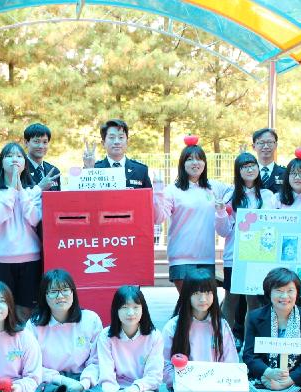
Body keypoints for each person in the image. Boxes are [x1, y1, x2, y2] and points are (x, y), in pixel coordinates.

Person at [162, 270, 239, 392]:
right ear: (186, 295)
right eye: (196, 293)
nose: (203, 299)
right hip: (184, 391)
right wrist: (178, 381)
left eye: (207, 293)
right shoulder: (174, 326)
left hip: (214, 389)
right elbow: (164, 365)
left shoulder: (221, 325)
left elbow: (231, 361)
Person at [0, 143, 46, 323]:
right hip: (1, 259)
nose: (14, 159)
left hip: (30, 258)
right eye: (9, 156)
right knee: (2, 310)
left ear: (25, 163)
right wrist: (12, 190)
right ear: (1, 162)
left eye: (19, 156)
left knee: (26, 309)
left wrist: (21, 192)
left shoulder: (33, 191)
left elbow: (34, 219)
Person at [154, 139, 229, 291]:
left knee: (204, 302)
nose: (195, 163)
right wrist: (157, 193)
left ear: (204, 163)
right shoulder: (172, 190)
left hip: (207, 257)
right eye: (189, 159)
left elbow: (237, 191)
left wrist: (224, 207)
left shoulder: (214, 187)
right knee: (187, 301)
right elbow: (158, 218)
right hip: (181, 258)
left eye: (199, 159)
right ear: (182, 164)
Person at [217, 152, 275, 344]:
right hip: (234, 257)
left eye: (252, 165)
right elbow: (223, 231)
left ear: (258, 168)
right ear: (238, 171)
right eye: (244, 166)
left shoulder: (268, 196)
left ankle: (251, 344)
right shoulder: (230, 196)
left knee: (254, 300)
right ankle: (224, 343)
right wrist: (220, 213)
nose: (249, 169)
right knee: (231, 299)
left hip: (260, 258)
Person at [83, 119, 152, 188]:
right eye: (111, 137)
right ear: (103, 143)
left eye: (121, 137)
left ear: (127, 142)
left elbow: (149, 194)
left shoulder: (141, 170)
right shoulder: (94, 169)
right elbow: (86, 193)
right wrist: (89, 170)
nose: (117, 142)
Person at [24, 123, 61, 191]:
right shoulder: (19, 169)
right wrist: (40, 188)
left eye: (45, 142)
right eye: (36, 141)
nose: (41, 146)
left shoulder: (54, 171)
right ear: (26, 142)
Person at [251, 128, 285, 193]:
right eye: (261, 142)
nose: (266, 146)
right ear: (254, 146)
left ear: (276, 145)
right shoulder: (248, 173)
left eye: (270, 142)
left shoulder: (285, 174)